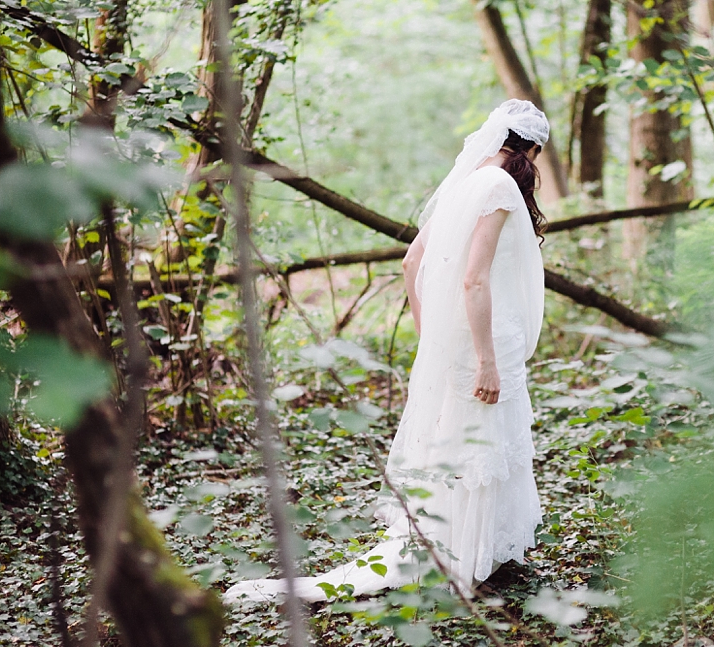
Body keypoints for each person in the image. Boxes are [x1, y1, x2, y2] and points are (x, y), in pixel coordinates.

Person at [224, 99, 548, 604]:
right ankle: (471, 562)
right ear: (530, 149)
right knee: (484, 443)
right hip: (487, 337)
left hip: (460, 336)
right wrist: (484, 356)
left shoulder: (463, 185)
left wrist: (434, 336)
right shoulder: (500, 187)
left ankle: (475, 552)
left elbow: (411, 260)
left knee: (462, 440)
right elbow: (474, 278)